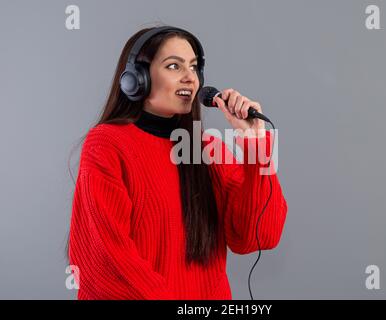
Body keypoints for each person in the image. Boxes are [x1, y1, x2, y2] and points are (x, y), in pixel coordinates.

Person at [68, 25, 288, 300]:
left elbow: (258, 236)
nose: (190, 78)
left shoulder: (208, 149)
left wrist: (256, 145)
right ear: (137, 79)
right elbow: (104, 260)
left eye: (194, 68)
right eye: (174, 66)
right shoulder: (107, 144)